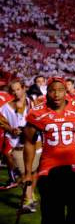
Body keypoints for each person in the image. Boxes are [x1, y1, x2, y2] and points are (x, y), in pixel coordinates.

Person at [23, 77, 75, 224]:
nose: (56, 94)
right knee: (52, 216)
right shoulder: (36, 112)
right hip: (49, 167)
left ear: (66, 91)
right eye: (52, 90)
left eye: (60, 90)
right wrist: (28, 173)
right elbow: (29, 142)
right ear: (47, 92)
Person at [0, 80, 39, 211]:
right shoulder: (5, 108)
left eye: (17, 89)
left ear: (23, 88)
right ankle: (28, 200)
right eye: (12, 90)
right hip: (16, 143)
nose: (15, 93)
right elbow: (2, 123)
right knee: (24, 173)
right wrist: (11, 130)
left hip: (35, 142)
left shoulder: (32, 103)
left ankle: (30, 196)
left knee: (33, 172)